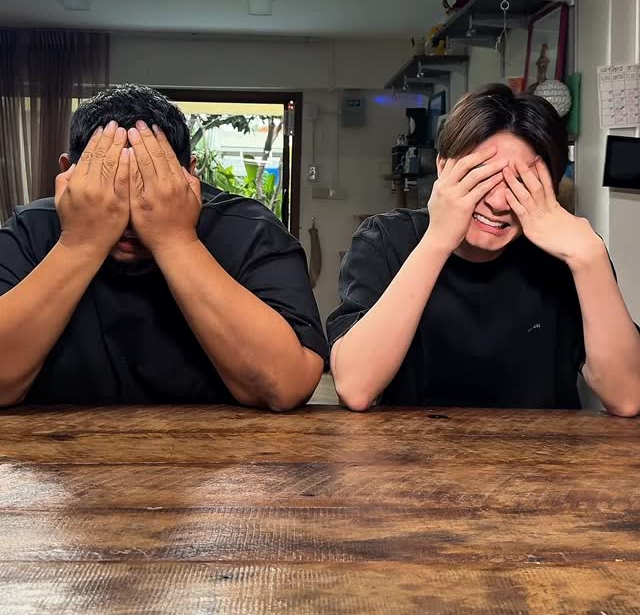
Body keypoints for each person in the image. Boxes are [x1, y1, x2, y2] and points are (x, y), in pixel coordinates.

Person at [0, 85, 326, 408]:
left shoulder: (249, 230)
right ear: (67, 174)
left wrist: (175, 239)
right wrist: (80, 243)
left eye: (151, 184)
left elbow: (286, 385)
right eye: (109, 186)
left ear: (191, 174)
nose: (131, 214)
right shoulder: (31, 229)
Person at [328, 83, 640, 415]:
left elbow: (628, 397)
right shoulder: (386, 240)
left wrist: (590, 257)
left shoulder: (571, 254)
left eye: (521, 184)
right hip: (412, 446)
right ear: (443, 167)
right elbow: (356, 388)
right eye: (482, 177)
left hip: (543, 447)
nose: (498, 203)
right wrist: (437, 240)